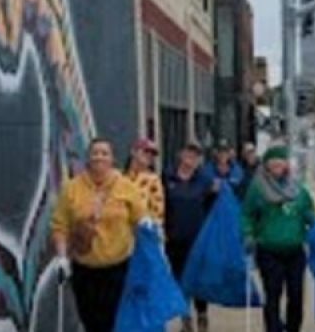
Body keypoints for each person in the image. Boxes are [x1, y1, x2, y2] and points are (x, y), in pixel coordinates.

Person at [50, 138, 151, 332]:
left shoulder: (125, 186)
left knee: (111, 320)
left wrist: (146, 224)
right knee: (90, 319)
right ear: (88, 158)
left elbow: (139, 217)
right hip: (84, 268)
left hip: (117, 268)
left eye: (104, 153)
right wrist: (62, 257)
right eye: (95, 153)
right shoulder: (72, 188)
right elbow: (60, 225)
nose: (99, 157)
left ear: (112, 159)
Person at [242, 145, 315, 332]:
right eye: (273, 162)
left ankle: (293, 328)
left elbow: (308, 212)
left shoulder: (298, 190)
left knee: (296, 295)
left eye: (280, 162)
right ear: (266, 165)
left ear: (286, 165)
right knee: (273, 294)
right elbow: (246, 214)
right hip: (269, 250)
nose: (277, 166)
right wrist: (248, 234)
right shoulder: (258, 189)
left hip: (295, 251)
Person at [164, 143, 218, 332]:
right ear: (180, 155)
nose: (190, 160)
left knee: (198, 279)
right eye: (188, 155)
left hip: (198, 240)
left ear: (198, 161)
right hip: (174, 240)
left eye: (195, 157)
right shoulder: (167, 177)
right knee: (180, 279)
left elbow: (214, 206)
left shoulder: (204, 180)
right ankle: (185, 317)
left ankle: (202, 315)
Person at [124, 137, 165, 228]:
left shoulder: (153, 179)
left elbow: (158, 210)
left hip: (143, 228)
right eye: (145, 151)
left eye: (152, 154)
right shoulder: (120, 177)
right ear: (133, 152)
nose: (149, 156)